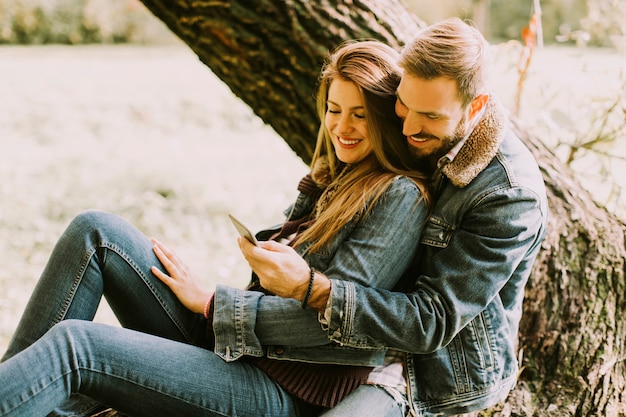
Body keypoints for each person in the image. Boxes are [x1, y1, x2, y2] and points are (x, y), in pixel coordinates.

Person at [0, 40, 431, 416]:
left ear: (386, 118)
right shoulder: (336, 179)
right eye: (334, 110)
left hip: (279, 392)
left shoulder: (399, 196)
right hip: (240, 351)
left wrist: (214, 303)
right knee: (95, 232)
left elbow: (336, 323)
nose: (341, 127)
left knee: (78, 346)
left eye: (360, 115)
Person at [238, 17, 549, 416]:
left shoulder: (509, 195)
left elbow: (432, 321)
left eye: (431, 116)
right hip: (361, 344)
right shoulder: (404, 131)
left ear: (476, 107)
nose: (409, 126)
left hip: (431, 373)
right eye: (404, 103)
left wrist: (311, 288)